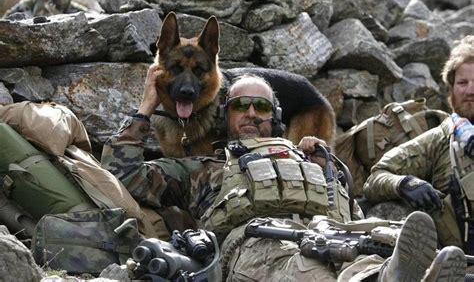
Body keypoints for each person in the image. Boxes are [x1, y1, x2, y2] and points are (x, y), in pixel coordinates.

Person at [101, 65, 465, 281]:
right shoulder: (205, 167)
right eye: (240, 105)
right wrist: (148, 104)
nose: (252, 113)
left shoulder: (313, 159)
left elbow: (352, 215)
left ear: (275, 117)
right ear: (225, 117)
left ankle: (396, 272)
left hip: (332, 235)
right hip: (258, 245)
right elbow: (124, 174)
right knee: (308, 268)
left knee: (374, 246)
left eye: (261, 106)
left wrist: (323, 168)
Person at [363, 35, 474, 253]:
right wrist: (406, 184)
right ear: (451, 91)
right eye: (462, 83)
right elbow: (376, 177)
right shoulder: (441, 138)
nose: (470, 90)